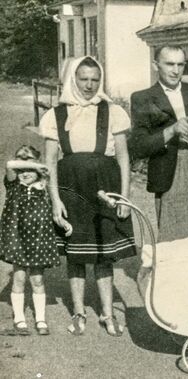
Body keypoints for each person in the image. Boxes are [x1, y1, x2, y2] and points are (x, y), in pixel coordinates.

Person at [42, 56, 136, 336]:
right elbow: (49, 163)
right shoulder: (55, 115)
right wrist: (56, 199)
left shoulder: (113, 112)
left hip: (105, 188)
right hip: (71, 189)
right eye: (83, 79)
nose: (89, 85)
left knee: (104, 255)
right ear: (73, 79)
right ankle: (79, 312)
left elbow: (123, 158)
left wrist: (124, 197)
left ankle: (107, 314)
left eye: (95, 79)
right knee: (76, 255)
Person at [130, 45, 188, 243]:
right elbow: (138, 146)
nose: (176, 70)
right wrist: (172, 130)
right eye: (169, 64)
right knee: (175, 242)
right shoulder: (142, 98)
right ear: (155, 65)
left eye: (180, 64)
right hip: (170, 173)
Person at [0, 146, 68, 336]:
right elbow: (10, 164)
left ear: (37, 168)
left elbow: (54, 209)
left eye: (29, 167)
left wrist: (63, 223)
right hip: (18, 240)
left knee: (38, 280)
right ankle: (19, 319)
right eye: (21, 168)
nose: (24, 172)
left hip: (39, 239)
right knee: (19, 278)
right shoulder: (13, 184)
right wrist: (32, 165)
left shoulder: (44, 187)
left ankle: (40, 319)